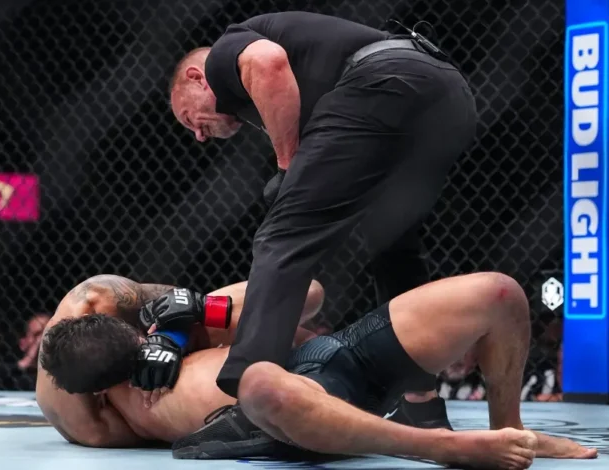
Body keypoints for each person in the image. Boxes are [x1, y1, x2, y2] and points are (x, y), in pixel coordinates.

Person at [167, 11, 478, 425]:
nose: (198, 135)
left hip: (386, 84)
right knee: (392, 246)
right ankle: (421, 403)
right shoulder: (305, 84)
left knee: (283, 236)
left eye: (189, 118)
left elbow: (267, 62)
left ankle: (254, 401)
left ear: (196, 78)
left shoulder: (224, 55)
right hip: (449, 95)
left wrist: (287, 168)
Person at [37, 271, 596, 469]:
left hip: (342, 358)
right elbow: (84, 316)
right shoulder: (98, 418)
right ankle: (445, 449)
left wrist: (185, 320)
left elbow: (307, 291)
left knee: (499, 293)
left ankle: (511, 425)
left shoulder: (150, 320)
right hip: (294, 411)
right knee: (260, 383)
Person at [34, 274, 325, 442]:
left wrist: (170, 337)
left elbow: (175, 303)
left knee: (306, 294)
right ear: (101, 392)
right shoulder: (92, 425)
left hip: (292, 377)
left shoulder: (98, 298)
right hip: (295, 379)